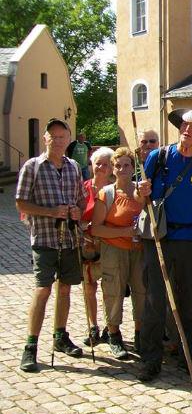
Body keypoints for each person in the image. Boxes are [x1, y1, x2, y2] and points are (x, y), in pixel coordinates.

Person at [135, 108, 192, 382]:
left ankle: (190, 354)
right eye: (184, 124)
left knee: (191, 302)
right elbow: (141, 197)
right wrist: (140, 192)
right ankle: (150, 359)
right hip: (158, 239)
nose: (187, 129)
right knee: (155, 300)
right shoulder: (157, 157)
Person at [16, 118, 87, 372]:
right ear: (45, 139)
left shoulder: (74, 168)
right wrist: (50, 212)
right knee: (43, 290)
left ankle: (60, 336)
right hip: (44, 239)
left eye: (62, 137)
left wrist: (78, 212)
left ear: (68, 139)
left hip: (69, 239)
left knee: (65, 289)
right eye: (52, 136)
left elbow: (81, 200)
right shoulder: (32, 167)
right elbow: (21, 204)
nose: (57, 141)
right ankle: (31, 345)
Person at [91, 147, 146, 360]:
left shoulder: (140, 194)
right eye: (118, 165)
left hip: (138, 251)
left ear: (133, 168)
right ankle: (114, 335)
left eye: (126, 165)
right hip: (113, 250)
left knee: (141, 292)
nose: (122, 169)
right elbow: (96, 228)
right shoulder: (107, 194)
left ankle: (140, 333)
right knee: (113, 292)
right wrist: (123, 231)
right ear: (112, 169)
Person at [80, 146, 115, 347]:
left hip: (109, 246)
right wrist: (84, 228)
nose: (101, 167)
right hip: (87, 247)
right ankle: (93, 326)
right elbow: (75, 213)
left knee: (110, 289)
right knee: (89, 288)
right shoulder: (82, 188)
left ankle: (111, 328)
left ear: (112, 167)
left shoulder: (114, 190)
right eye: (97, 163)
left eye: (105, 164)